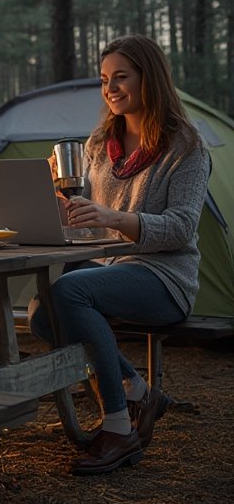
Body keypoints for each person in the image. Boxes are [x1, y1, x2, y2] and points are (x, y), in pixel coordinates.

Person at [29, 35, 210, 475]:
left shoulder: (186, 148)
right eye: (105, 79)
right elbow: (87, 223)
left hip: (164, 276)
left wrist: (112, 216)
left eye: (121, 77)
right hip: (114, 266)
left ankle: (117, 427)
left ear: (150, 79)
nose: (110, 88)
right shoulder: (98, 145)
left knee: (67, 294)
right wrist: (58, 200)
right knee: (40, 311)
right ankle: (136, 389)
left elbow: (182, 227)